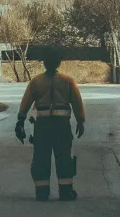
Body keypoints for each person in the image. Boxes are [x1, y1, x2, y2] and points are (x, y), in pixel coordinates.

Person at [15, 46, 85, 201]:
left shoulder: (36, 82)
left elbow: (25, 102)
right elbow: (77, 103)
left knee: (41, 158)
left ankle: (42, 192)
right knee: (64, 158)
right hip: (62, 127)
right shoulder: (68, 81)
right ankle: (66, 191)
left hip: (42, 127)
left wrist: (20, 120)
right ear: (59, 62)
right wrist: (81, 121)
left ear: (44, 63)